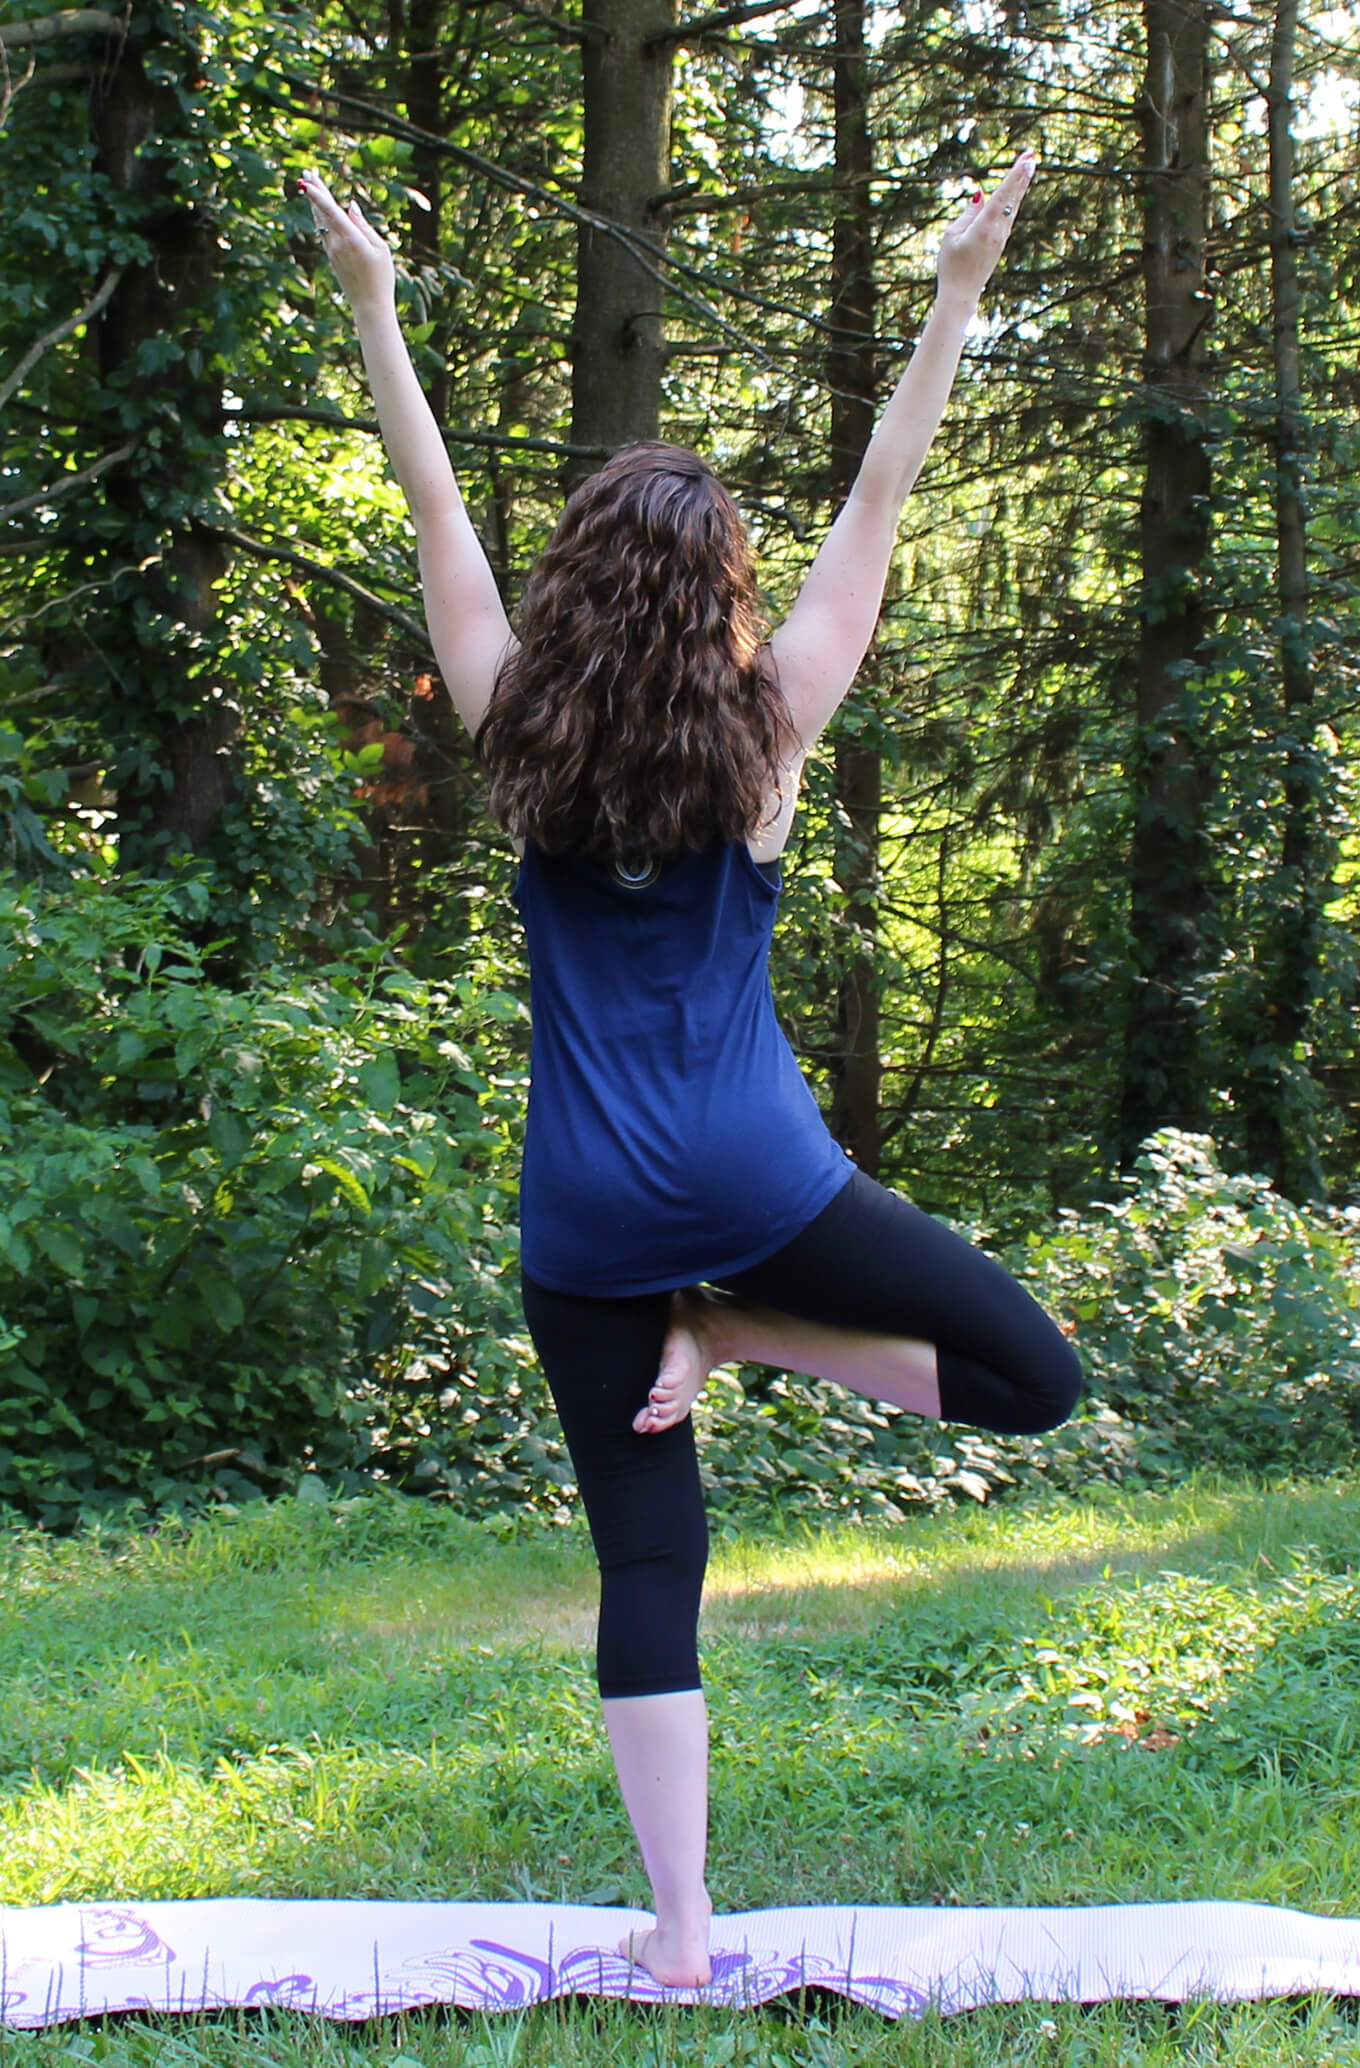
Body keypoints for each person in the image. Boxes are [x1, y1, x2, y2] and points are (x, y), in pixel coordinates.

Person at [298, 147, 1079, 1990]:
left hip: (583, 1214)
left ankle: (681, 1929)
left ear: (579, 583)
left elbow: (436, 518)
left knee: (651, 1564)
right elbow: (884, 493)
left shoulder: (512, 726)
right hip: (757, 1186)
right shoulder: (768, 735)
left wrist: (375, 315)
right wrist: (959, 283)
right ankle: (731, 1333)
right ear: (722, 582)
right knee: (1029, 1382)